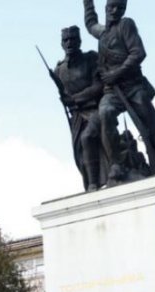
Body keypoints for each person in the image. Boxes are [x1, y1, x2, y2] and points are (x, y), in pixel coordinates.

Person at [82, 0, 155, 193]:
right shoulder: (103, 33)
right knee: (105, 112)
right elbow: (90, 23)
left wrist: (117, 73)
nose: (115, 11)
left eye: (120, 8)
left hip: (133, 88)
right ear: (106, 7)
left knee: (154, 135)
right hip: (112, 91)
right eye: (111, 7)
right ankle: (116, 164)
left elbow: (138, 53)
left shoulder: (126, 25)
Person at [51, 25, 105, 191]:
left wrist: (75, 99)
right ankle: (89, 182)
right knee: (79, 153)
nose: (69, 43)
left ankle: (94, 184)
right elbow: (64, 97)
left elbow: (98, 86)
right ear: (61, 43)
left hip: (96, 109)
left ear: (79, 41)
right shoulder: (59, 70)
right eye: (65, 40)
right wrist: (66, 99)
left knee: (88, 138)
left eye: (73, 39)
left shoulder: (90, 59)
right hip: (77, 116)